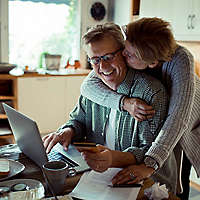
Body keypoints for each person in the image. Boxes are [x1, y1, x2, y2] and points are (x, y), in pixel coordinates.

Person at [43, 22, 177, 193]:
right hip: (99, 176)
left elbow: (150, 153)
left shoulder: (150, 92)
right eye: (95, 60)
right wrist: (68, 131)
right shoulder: (93, 87)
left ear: (124, 53)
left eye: (108, 57)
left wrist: (112, 158)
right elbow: (77, 120)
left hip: (144, 183)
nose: (103, 67)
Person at [80, 17, 200, 199]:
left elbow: (177, 120)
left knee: (177, 182)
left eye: (128, 55)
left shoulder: (181, 61)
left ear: (151, 64)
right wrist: (125, 102)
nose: (123, 57)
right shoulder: (133, 43)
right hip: (171, 121)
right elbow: (87, 85)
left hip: (189, 127)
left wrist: (149, 164)